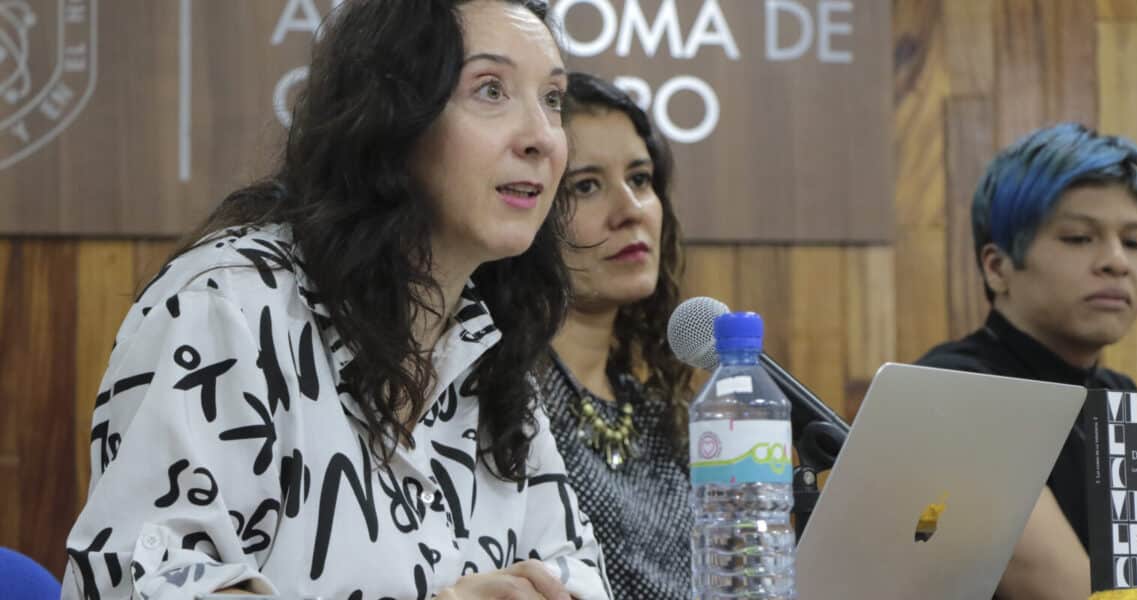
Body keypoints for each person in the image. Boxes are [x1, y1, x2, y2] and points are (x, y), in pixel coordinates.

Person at [61, 1, 611, 598]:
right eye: (490, 90)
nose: (541, 137)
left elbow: (574, 568)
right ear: (392, 116)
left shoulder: (487, 347)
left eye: (552, 99)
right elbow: (140, 582)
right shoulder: (227, 306)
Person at [917, 122, 1137, 599]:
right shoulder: (950, 391)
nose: (1116, 262)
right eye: (1078, 238)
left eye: (1135, 242)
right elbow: (1061, 588)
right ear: (998, 267)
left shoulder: (1126, 398)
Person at [532, 72, 692, 600]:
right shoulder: (504, 400)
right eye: (586, 186)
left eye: (640, 179)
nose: (630, 211)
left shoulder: (655, 411)